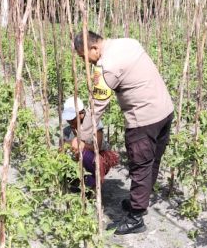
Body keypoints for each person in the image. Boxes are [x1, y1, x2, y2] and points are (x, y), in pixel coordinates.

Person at [73, 30, 174, 235]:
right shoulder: (128, 42)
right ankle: (140, 200)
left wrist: (81, 137)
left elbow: (97, 107)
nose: (87, 62)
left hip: (143, 120)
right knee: (152, 161)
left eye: (85, 57)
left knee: (140, 165)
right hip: (165, 111)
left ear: (94, 48)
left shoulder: (106, 66)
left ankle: (136, 217)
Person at [60, 97, 119, 191]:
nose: (69, 121)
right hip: (78, 163)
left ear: (81, 114)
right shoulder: (67, 131)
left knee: (84, 154)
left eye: (72, 118)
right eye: (68, 119)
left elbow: (97, 147)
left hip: (98, 158)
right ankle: (78, 183)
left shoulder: (94, 124)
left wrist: (81, 144)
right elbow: (61, 151)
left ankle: (93, 187)